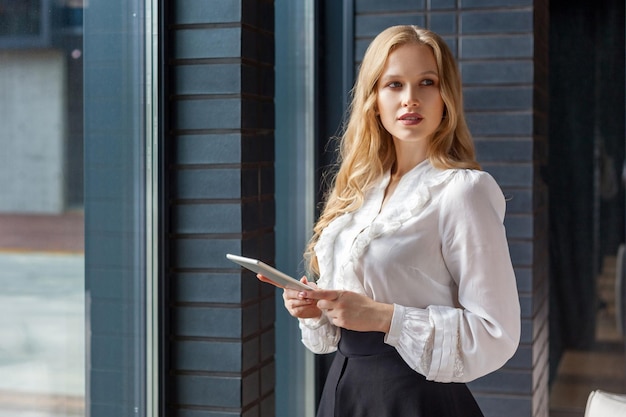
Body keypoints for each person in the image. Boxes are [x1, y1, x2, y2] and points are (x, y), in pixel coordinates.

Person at [259, 25, 520, 417]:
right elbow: (339, 325)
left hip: (415, 398)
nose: (410, 99)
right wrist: (316, 308)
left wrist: (383, 317)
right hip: (344, 390)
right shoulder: (360, 191)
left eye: (426, 82)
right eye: (394, 84)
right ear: (373, 100)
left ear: (446, 96)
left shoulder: (463, 191)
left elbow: (496, 333)